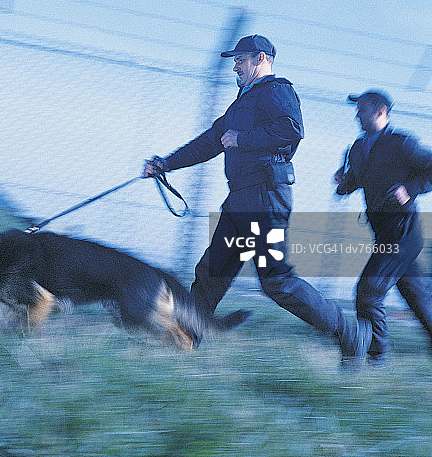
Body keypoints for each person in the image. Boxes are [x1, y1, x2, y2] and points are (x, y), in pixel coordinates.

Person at [145, 35, 370, 367]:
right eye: (234, 60)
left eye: (241, 59)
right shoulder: (240, 104)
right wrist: (166, 164)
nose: (235, 64)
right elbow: (210, 142)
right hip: (240, 201)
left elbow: (292, 131)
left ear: (261, 58)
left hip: (265, 201)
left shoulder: (276, 91)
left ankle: (349, 333)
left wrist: (243, 138)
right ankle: (186, 337)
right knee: (212, 272)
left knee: (276, 280)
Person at [334, 90, 432, 363]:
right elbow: (352, 183)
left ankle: (374, 356)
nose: (357, 114)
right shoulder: (357, 148)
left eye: (362, 109)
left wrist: (411, 188)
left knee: (369, 291)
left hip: (404, 232)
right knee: (420, 302)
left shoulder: (401, 144)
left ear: (381, 111)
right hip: (383, 233)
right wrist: (343, 183)